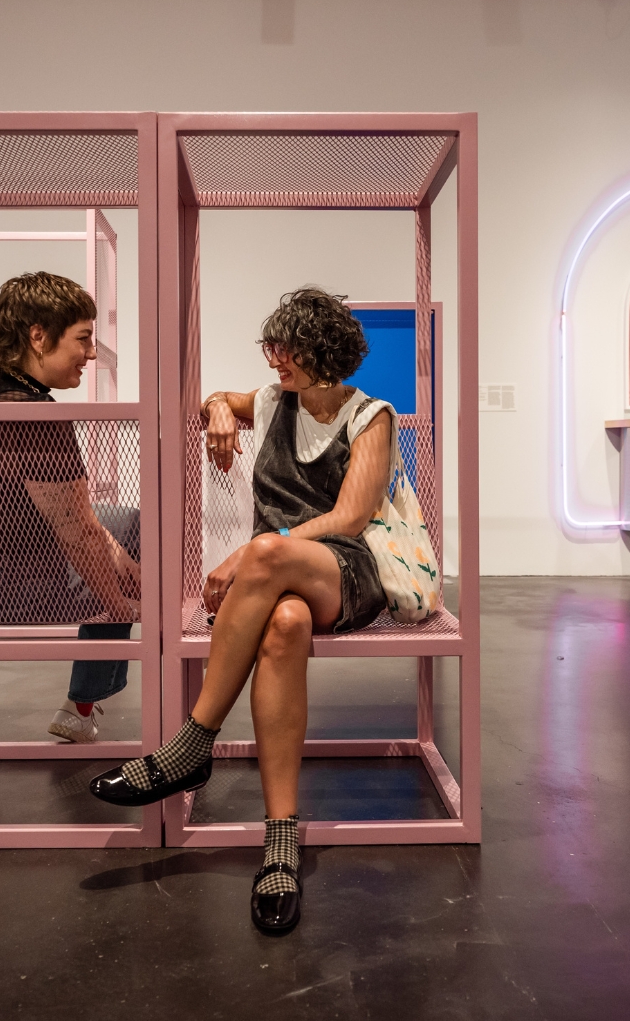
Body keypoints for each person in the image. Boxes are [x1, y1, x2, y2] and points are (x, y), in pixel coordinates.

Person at [90, 287, 396, 935]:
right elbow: (218, 401)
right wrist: (217, 413)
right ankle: (279, 842)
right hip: (279, 587)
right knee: (283, 629)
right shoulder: (270, 403)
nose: (274, 359)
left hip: (344, 572)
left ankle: (190, 745)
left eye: (286, 348)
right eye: (270, 347)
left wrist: (257, 553)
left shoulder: (371, 415)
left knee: (263, 555)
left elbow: (350, 517)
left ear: (323, 350)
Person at [0, 272, 140, 743]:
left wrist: (116, 549)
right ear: (38, 336)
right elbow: (77, 532)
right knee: (125, 548)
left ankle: (82, 703)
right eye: (83, 338)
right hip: (22, 589)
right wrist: (127, 608)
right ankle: (82, 705)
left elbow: (77, 520)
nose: (92, 353)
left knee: (125, 524)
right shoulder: (36, 416)